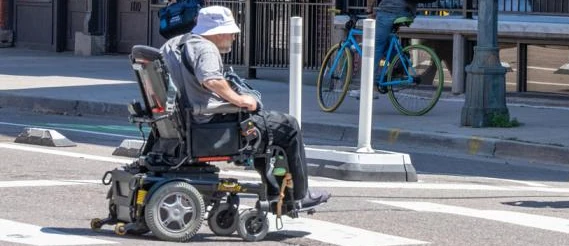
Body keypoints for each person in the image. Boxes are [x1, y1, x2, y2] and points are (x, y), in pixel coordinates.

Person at [160, 6, 331, 211]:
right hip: (208, 123)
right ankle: (298, 196)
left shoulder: (173, 44)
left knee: (267, 127)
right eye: (231, 32)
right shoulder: (206, 48)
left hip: (183, 122)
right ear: (218, 31)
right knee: (288, 126)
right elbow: (212, 80)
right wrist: (240, 100)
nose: (234, 37)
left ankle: (275, 190)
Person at [366, 0, 417, 79]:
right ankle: (399, 61)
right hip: (408, 12)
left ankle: (373, 81)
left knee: (376, 45)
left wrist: (369, 11)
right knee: (387, 41)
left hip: (389, 9)